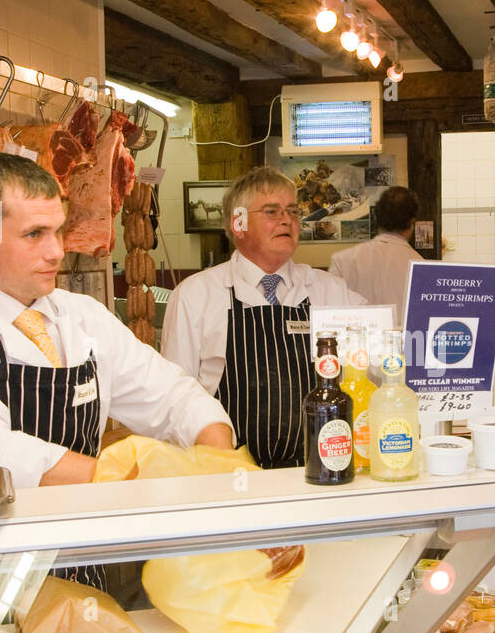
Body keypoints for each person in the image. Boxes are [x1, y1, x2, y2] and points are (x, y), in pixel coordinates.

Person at [0, 155, 233, 623]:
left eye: (58, 230)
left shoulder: (82, 317)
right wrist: (136, 479)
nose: (56, 251)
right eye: (35, 234)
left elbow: (172, 395)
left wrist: (218, 459)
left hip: (79, 565)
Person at [162, 166, 365, 469]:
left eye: (293, 212)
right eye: (272, 211)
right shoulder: (194, 295)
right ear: (239, 222)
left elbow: (380, 355)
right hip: (227, 480)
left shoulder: (331, 292)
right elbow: (173, 400)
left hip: (320, 473)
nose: (287, 220)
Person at [328, 186, 424, 325]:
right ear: (412, 223)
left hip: (354, 344)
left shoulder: (343, 260)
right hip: (405, 345)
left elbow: (329, 314)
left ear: (376, 216)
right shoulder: (422, 268)